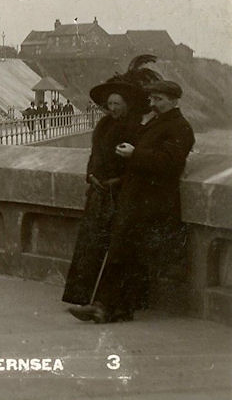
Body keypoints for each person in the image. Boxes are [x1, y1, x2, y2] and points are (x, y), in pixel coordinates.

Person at [70, 80, 195, 324]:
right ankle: (117, 309)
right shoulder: (159, 123)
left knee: (122, 253)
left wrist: (134, 154)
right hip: (137, 199)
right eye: (153, 99)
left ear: (174, 100)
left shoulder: (180, 127)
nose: (154, 104)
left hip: (151, 202)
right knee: (125, 254)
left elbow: (170, 162)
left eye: (159, 100)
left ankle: (103, 307)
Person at [62, 78, 142, 316]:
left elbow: (135, 165)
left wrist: (115, 182)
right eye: (110, 103)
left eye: (118, 103)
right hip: (97, 192)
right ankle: (80, 297)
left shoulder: (135, 127)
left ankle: (104, 303)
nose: (114, 108)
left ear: (127, 104)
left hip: (119, 195)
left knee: (116, 250)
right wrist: (90, 175)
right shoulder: (104, 125)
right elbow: (94, 154)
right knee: (89, 245)